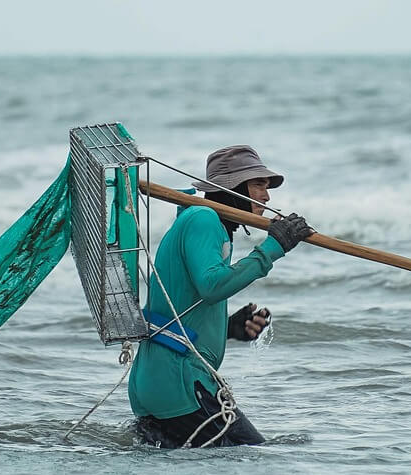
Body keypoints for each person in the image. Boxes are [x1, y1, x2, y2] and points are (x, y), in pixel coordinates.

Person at [128, 145, 313, 448]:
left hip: (161, 381)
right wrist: (272, 248)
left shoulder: (204, 223)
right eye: (259, 185)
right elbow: (212, 286)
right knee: (259, 455)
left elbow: (185, 304)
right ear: (233, 188)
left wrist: (227, 328)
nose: (267, 197)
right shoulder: (204, 219)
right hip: (180, 384)